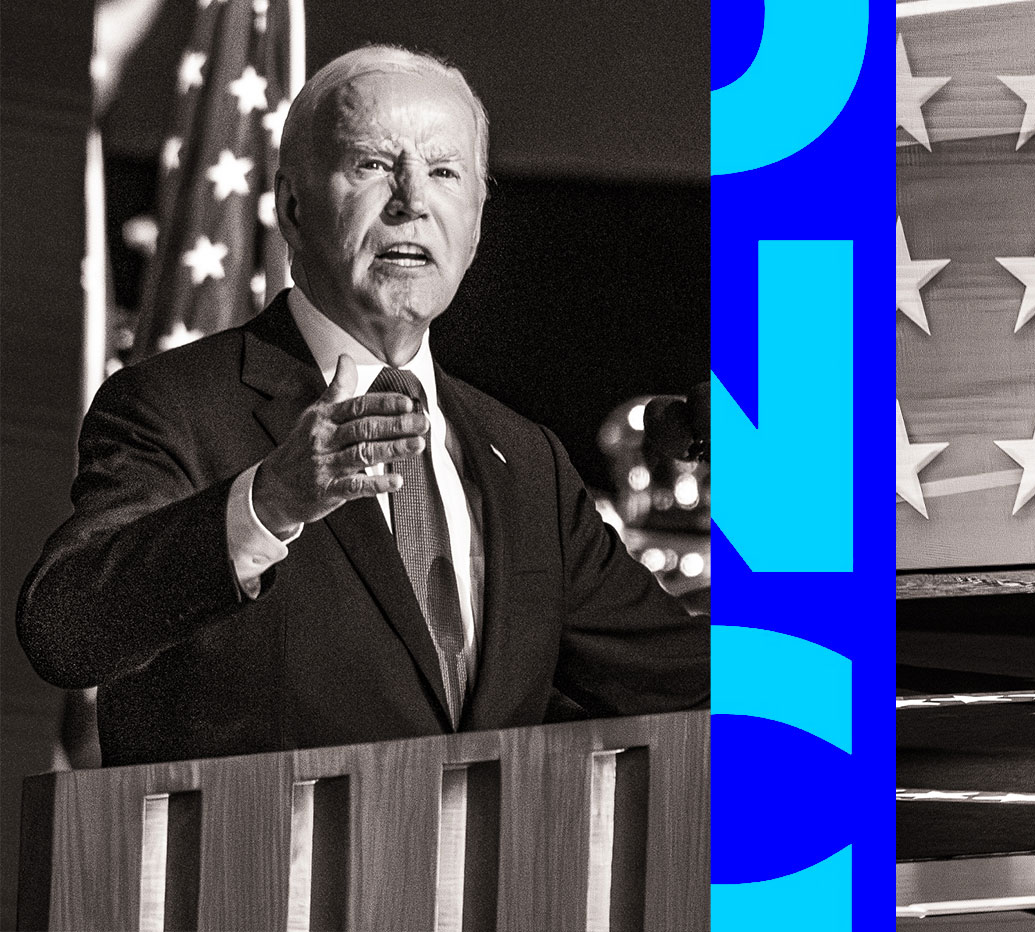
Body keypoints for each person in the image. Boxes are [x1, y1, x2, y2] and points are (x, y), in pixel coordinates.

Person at [18, 45, 709, 766]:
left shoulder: (525, 459)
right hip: (251, 871)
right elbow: (65, 630)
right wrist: (271, 500)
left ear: (474, 224)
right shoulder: (174, 406)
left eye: (444, 173)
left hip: (491, 877)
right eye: (374, 166)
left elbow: (682, 676)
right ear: (291, 206)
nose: (412, 200)